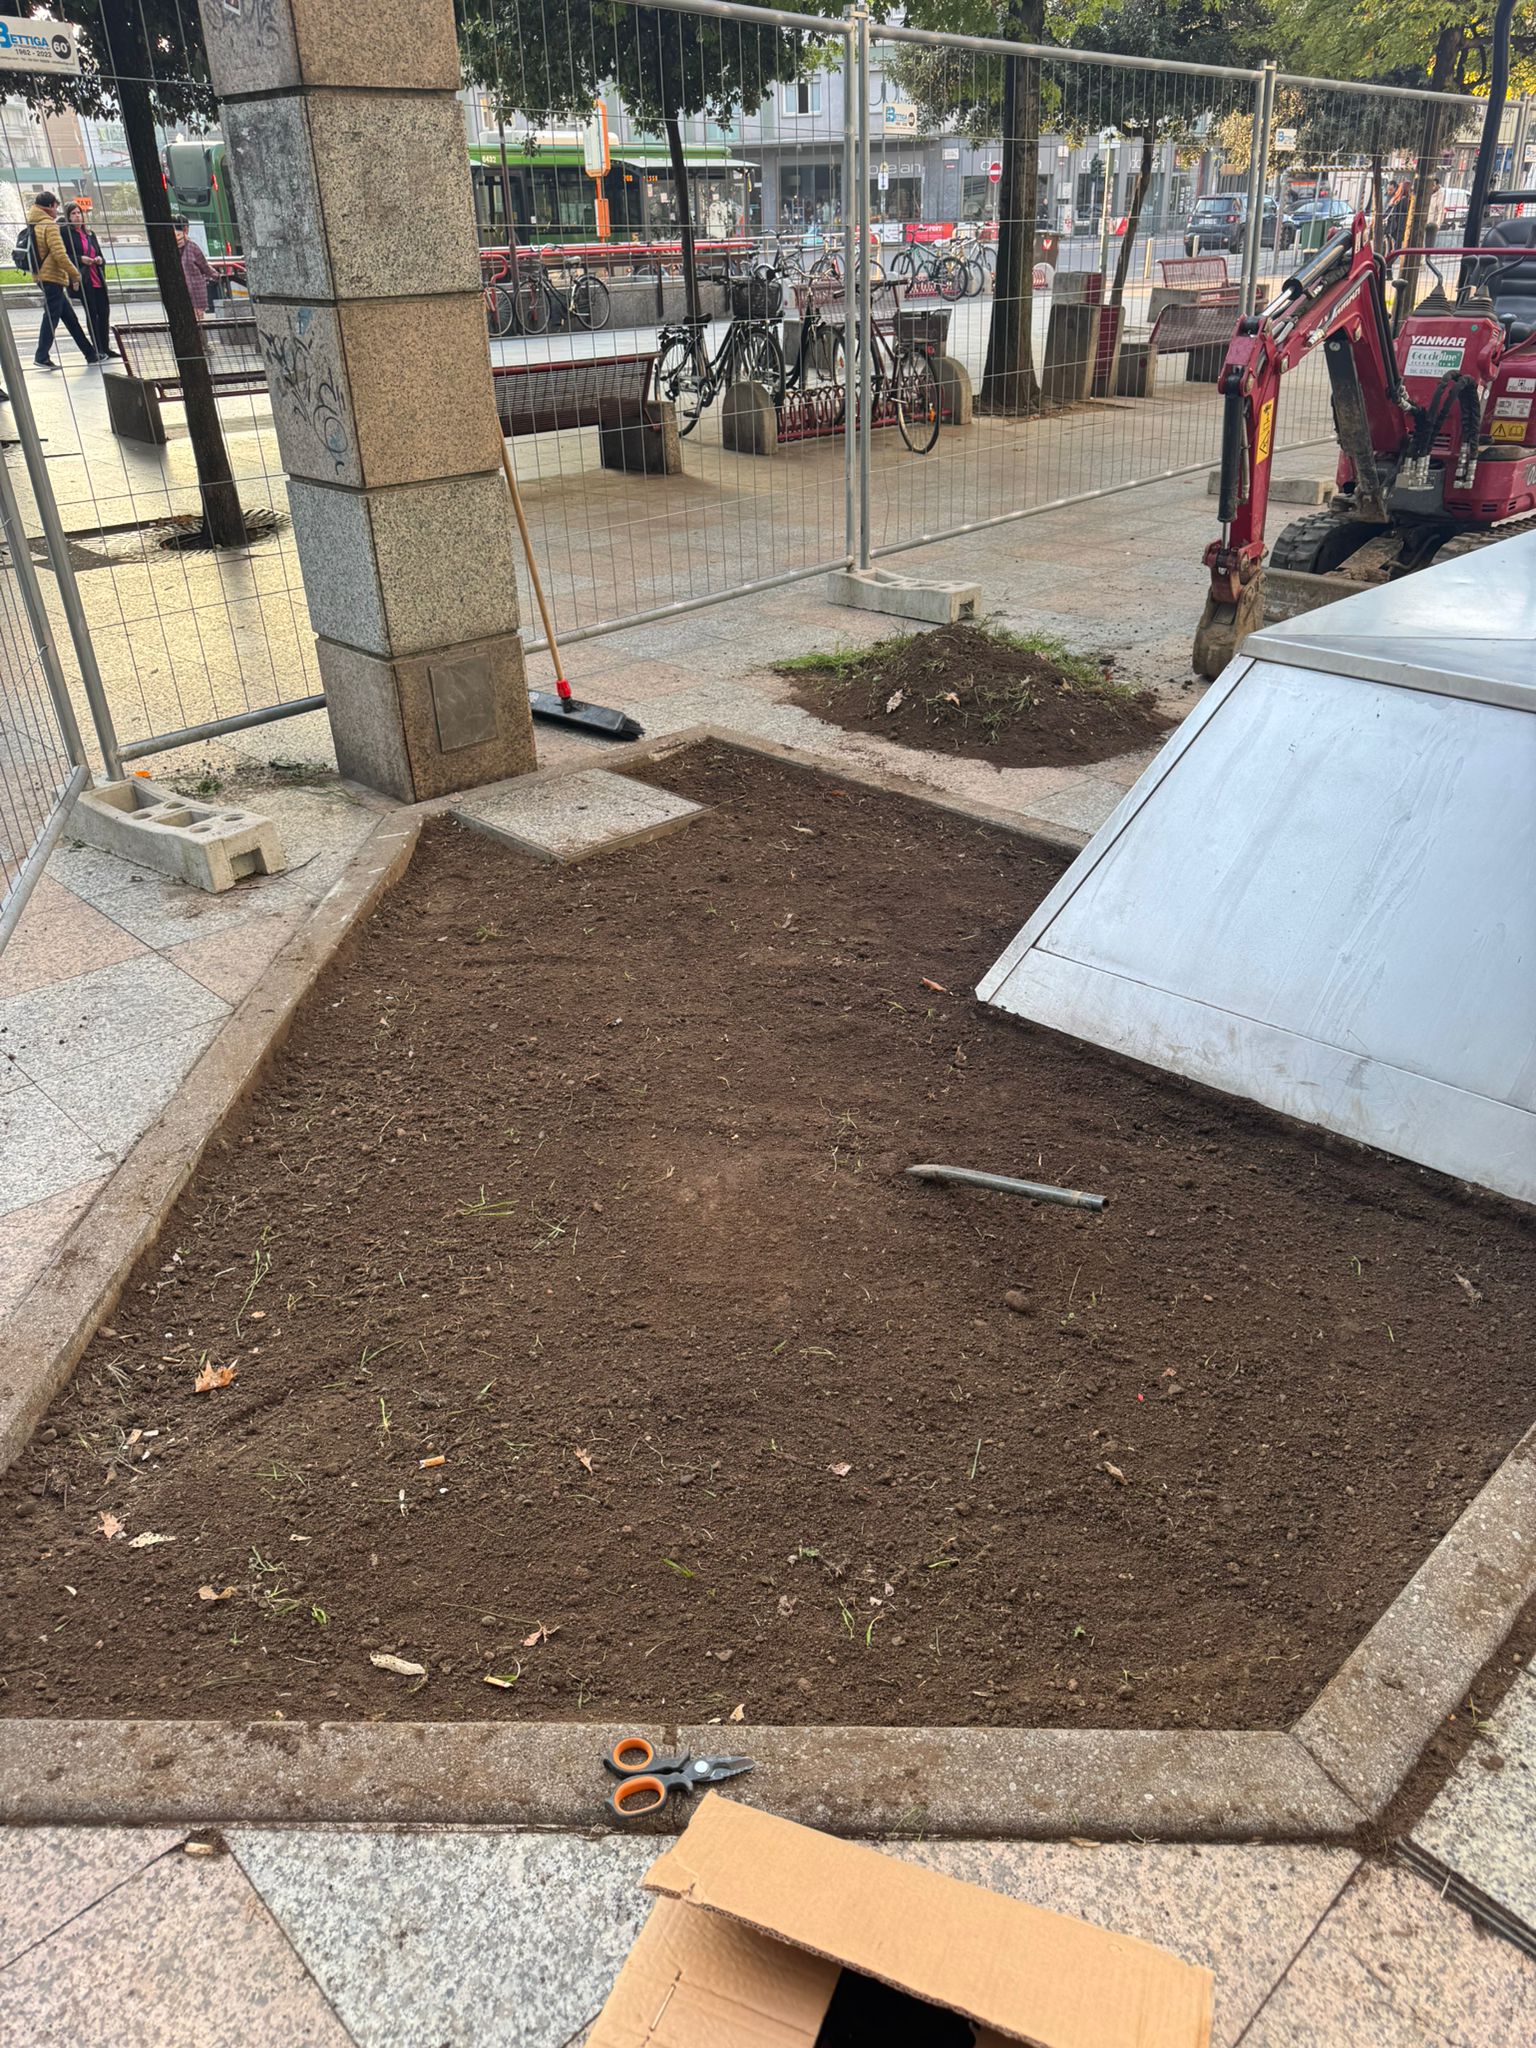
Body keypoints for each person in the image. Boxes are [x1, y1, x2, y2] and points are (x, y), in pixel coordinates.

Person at [27, 191, 99, 371]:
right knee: (51, 317)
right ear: (51, 206)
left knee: (69, 316)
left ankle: (90, 354)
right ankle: (41, 356)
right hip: (52, 277)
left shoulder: (33, 223)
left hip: (42, 275)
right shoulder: (49, 226)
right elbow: (60, 254)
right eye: (56, 207)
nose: (56, 211)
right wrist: (75, 274)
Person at [62, 202, 115, 360]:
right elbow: (64, 256)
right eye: (73, 214)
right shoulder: (66, 234)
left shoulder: (90, 234)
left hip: (97, 277)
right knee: (92, 313)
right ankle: (98, 348)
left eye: (79, 213)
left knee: (104, 312)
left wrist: (99, 259)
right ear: (68, 217)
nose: (77, 216)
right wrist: (80, 259)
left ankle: (106, 347)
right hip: (84, 280)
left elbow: (100, 254)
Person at [173, 215, 215, 321]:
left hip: (177, 297)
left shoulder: (166, 248)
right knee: (198, 325)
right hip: (196, 295)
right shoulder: (192, 247)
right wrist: (217, 276)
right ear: (186, 228)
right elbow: (205, 267)